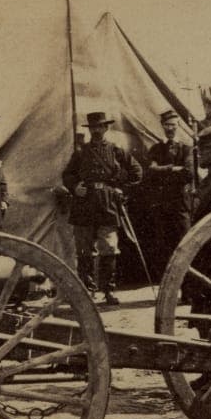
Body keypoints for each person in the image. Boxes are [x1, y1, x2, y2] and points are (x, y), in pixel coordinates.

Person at [61, 111, 143, 305]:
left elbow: (136, 171)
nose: (97, 130)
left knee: (109, 248)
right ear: (90, 130)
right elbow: (67, 174)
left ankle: (108, 291)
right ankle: (87, 291)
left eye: (100, 127)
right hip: (84, 204)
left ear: (106, 128)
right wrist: (75, 187)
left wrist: (121, 190)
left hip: (107, 203)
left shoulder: (116, 150)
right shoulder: (81, 152)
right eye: (93, 127)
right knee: (84, 249)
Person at [141, 110, 194, 274]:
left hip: (180, 204)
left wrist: (161, 170)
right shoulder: (156, 149)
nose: (170, 128)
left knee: (185, 243)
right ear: (162, 126)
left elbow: (188, 172)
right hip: (162, 205)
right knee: (164, 245)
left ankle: (188, 287)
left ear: (178, 126)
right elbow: (150, 172)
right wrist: (172, 168)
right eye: (167, 125)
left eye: (173, 124)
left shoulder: (186, 149)